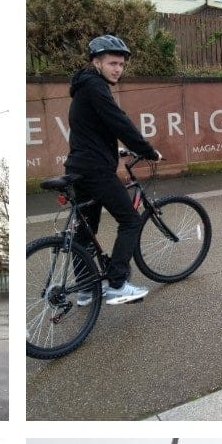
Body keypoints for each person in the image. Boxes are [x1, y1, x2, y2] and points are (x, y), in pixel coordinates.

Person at [66, 34, 163, 305]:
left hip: (79, 167)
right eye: (112, 63)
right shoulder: (95, 87)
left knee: (86, 232)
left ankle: (85, 289)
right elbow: (119, 122)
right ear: (96, 62)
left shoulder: (84, 88)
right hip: (95, 170)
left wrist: (116, 151)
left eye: (121, 64)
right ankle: (118, 284)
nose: (118, 69)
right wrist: (147, 150)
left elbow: (93, 131)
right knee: (130, 220)